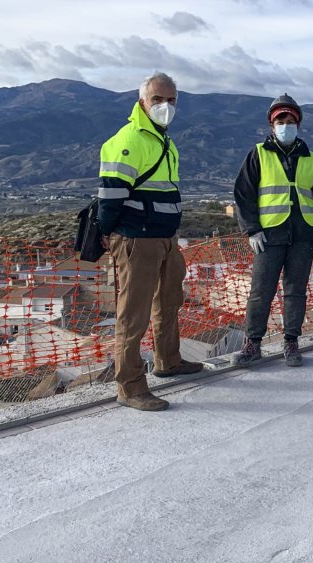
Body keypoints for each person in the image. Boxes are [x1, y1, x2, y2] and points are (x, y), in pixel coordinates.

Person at [98, 72, 203, 412]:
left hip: (165, 238)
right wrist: (111, 233)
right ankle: (129, 386)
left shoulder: (164, 141)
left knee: (170, 301)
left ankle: (167, 361)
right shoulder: (129, 139)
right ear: (142, 101)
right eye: (158, 100)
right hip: (136, 240)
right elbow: (111, 196)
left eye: (171, 100)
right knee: (133, 315)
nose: (165, 106)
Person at [233, 93, 313, 368]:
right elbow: (244, 194)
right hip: (269, 235)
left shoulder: (311, 159)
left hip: (304, 235)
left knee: (296, 292)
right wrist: (251, 229)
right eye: (281, 119)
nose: (286, 124)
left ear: (298, 124)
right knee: (260, 291)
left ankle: (291, 342)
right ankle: (252, 344)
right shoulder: (258, 155)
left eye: (290, 119)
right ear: (272, 124)